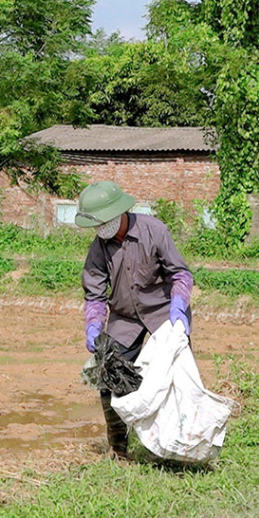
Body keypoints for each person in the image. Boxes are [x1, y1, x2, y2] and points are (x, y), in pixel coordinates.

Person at [77, 181, 193, 458]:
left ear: (118, 212)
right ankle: (119, 450)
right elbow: (95, 295)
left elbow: (181, 275)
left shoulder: (155, 231)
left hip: (165, 312)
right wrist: (93, 325)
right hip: (125, 318)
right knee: (107, 375)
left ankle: (176, 448)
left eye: (103, 221)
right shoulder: (99, 248)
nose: (100, 228)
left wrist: (179, 306)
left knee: (176, 378)